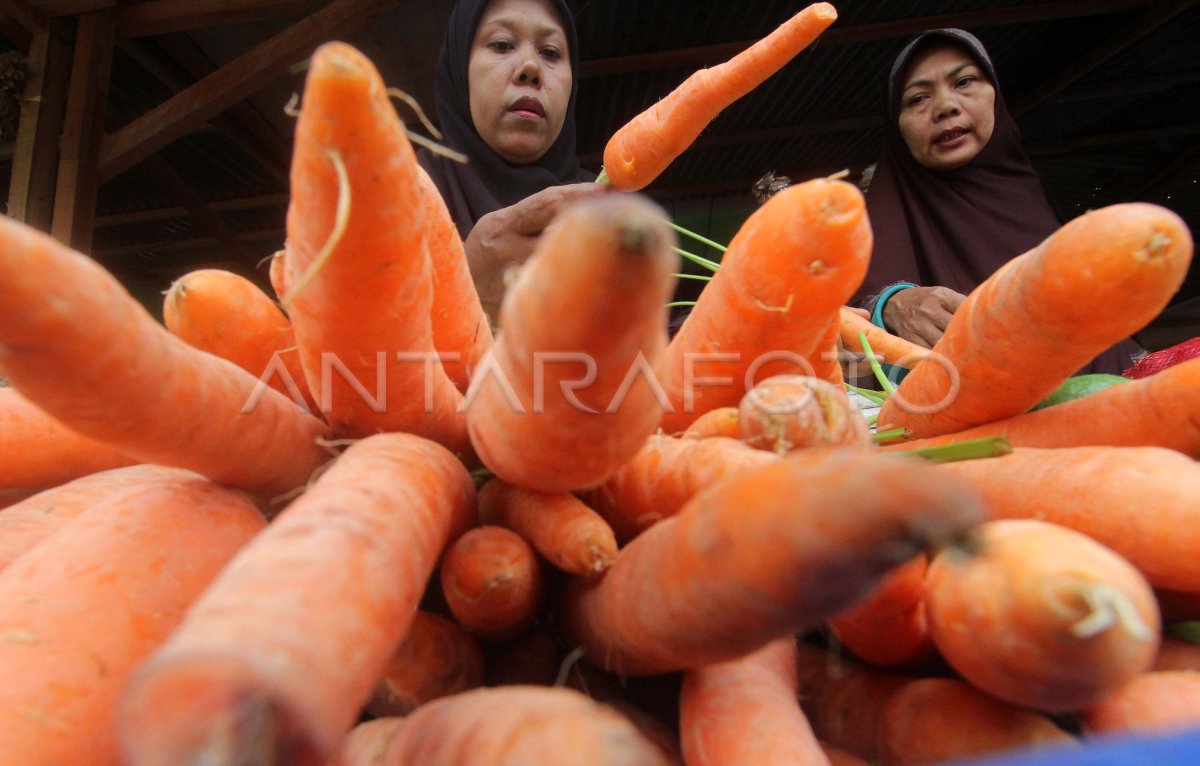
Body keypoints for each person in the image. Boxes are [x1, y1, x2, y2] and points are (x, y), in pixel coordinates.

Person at [854, 28, 1142, 375]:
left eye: (963, 82)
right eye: (917, 99)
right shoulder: (872, 227)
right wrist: (892, 306)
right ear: (897, 128)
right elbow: (841, 339)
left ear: (995, 96)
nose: (946, 106)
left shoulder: (1026, 195)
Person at [418, 0, 607, 325]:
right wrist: (462, 291)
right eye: (502, 44)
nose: (530, 68)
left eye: (550, 52)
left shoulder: (606, 208)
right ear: (459, 68)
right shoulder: (395, 198)